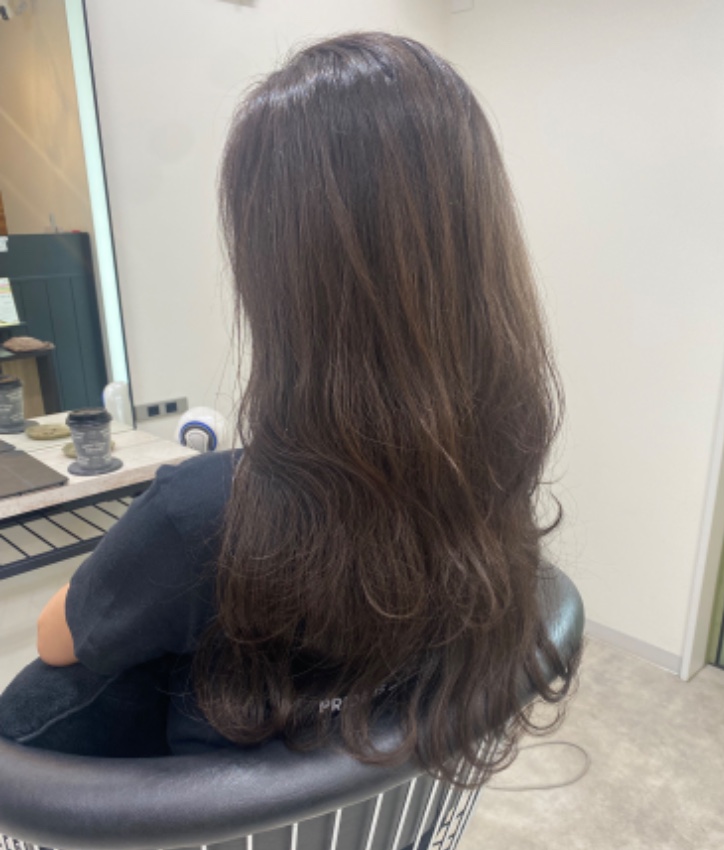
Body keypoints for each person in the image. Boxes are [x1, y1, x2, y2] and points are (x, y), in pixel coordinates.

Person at [1, 32, 577, 787]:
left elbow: (55, 639)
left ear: (277, 275)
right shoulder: (494, 469)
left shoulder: (201, 516)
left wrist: (133, 575)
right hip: (382, 837)